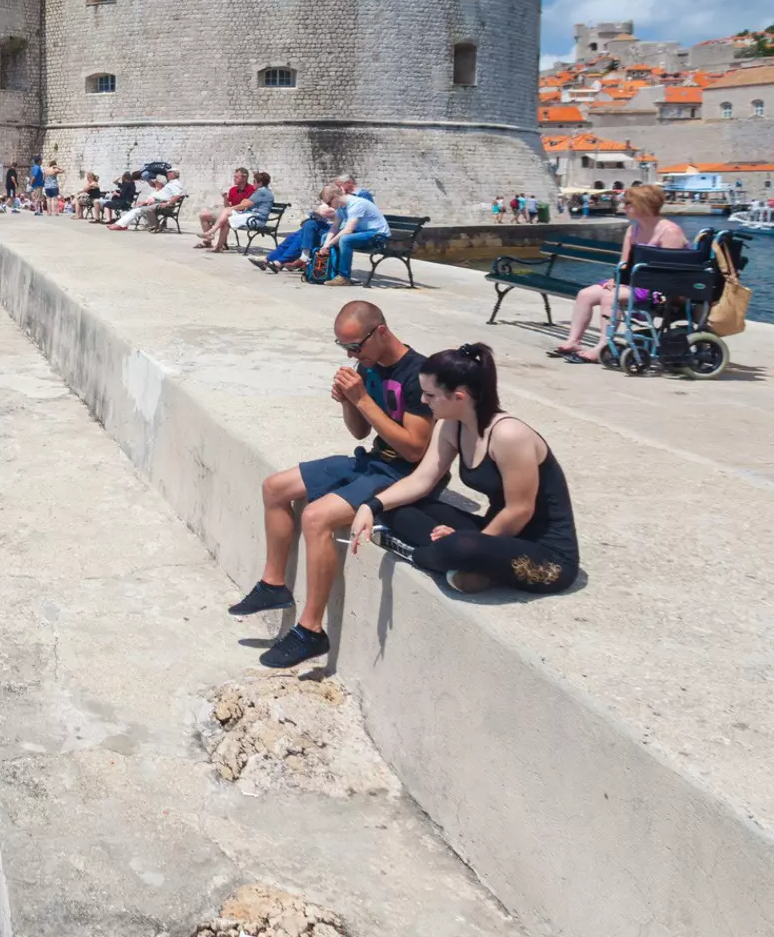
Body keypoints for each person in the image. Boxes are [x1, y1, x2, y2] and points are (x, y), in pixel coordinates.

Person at [229, 300, 435, 668]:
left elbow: (416, 450)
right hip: (372, 460)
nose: (352, 354)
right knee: (275, 487)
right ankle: (274, 585)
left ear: (381, 332)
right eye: (344, 348)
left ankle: (311, 631)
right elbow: (360, 430)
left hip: (403, 475)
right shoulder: (366, 367)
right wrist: (349, 404)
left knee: (315, 517)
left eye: (356, 346)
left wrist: (362, 399)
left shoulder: (419, 375)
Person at [350, 343, 579, 595]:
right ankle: (468, 567)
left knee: (460, 548)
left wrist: (476, 542)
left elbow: (520, 510)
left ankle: (421, 555)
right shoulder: (451, 425)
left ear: (459, 397)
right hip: (493, 532)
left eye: (430, 395)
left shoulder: (509, 435)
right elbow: (421, 481)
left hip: (545, 552)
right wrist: (370, 506)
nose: (423, 401)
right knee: (390, 499)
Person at [549, 183, 687, 362]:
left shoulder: (670, 232)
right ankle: (573, 341)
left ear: (643, 204)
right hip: (634, 281)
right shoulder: (633, 230)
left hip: (657, 288)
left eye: (629, 203)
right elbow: (624, 262)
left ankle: (603, 346)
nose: (624, 206)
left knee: (610, 298)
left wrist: (626, 283)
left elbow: (670, 271)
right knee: (585, 295)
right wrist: (617, 279)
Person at [318, 185, 390, 286]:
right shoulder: (341, 207)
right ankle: (329, 272)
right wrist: (326, 243)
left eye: (329, 203)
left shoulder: (356, 204)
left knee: (345, 239)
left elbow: (348, 230)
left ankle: (344, 277)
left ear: (335, 197)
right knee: (325, 236)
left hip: (378, 236)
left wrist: (328, 245)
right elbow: (335, 227)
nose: (329, 206)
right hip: (364, 233)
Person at [213, 171, 274, 253]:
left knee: (226, 221)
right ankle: (215, 237)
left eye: (254, 182)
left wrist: (233, 207)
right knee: (226, 212)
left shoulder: (261, 192)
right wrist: (243, 203)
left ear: (260, 183)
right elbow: (246, 202)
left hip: (256, 219)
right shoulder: (263, 191)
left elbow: (246, 204)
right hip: (252, 216)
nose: (253, 184)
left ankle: (217, 243)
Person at [197, 167, 257, 248]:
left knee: (225, 218)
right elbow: (227, 206)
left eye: (236, 177)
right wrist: (225, 198)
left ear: (244, 178)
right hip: (229, 211)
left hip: (240, 214)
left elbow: (246, 206)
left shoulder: (251, 189)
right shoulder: (233, 189)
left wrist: (232, 208)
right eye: (234, 177)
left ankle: (221, 244)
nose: (234, 179)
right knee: (203, 215)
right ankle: (208, 240)